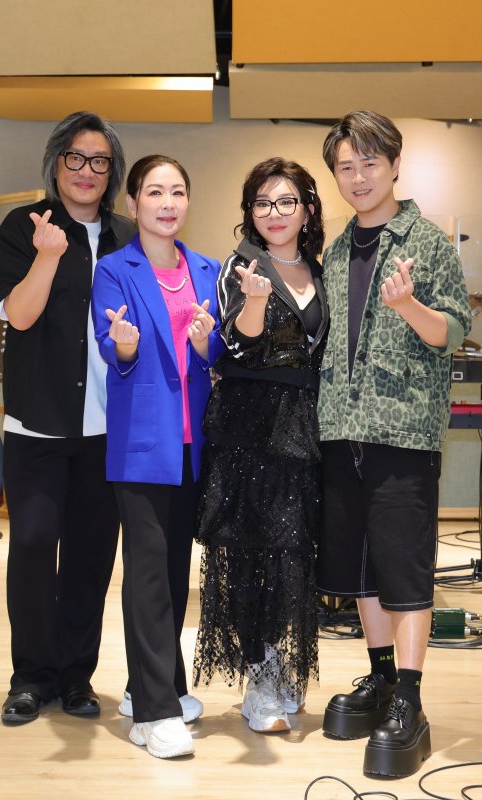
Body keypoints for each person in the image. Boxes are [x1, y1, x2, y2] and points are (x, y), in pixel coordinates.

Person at [317, 110, 471, 777]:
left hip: (402, 433)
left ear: (394, 165)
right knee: (360, 570)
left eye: (369, 163)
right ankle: (380, 679)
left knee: (403, 572)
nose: (358, 177)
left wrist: (409, 305)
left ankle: (409, 699)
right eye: (345, 166)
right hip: (339, 430)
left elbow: (453, 332)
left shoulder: (425, 242)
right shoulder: (333, 250)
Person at [0, 111, 135, 725]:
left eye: (100, 161)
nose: (86, 170)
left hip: (107, 429)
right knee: (30, 548)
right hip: (38, 424)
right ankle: (31, 676)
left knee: (90, 557)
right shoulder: (23, 227)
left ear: (112, 172)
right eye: (75, 157)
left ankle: (76, 676)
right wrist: (48, 257)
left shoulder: (129, 236)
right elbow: (19, 315)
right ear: (56, 163)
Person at [91, 154, 223, 759]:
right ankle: (154, 712)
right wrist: (123, 347)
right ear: (133, 203)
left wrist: (207, 345)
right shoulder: (114, 269)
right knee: (146, 572)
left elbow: (217, 355)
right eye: (154, 192)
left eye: (177, 192)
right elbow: (113, 347)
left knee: (173, 571)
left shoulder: (207, 269)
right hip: (142, 442)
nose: (167, 203)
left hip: (194, 445)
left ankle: (154, 683)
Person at [193, 157, 329, 734]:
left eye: (286, 201)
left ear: (307, 210)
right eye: (262, 202)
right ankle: (260, 676)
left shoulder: (318, 269)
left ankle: (277, 661)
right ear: (250, 212)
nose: (274, 212)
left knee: (292, 553)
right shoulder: (242, 265)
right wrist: (253, 300)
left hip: (300, 426)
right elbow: (237, 346)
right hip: (248, 425)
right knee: (251, 554)